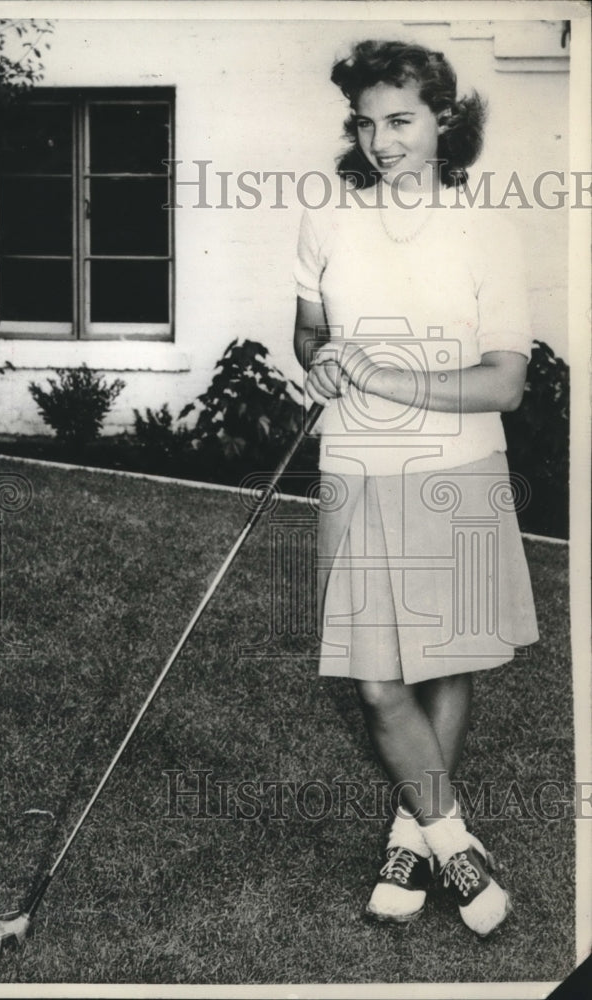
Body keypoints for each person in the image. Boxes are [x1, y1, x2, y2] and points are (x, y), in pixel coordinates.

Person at [293, 39, 538, 937]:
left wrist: (393, 381)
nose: (380, 140)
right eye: (366, 121)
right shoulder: (329, 221)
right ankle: (452, 841)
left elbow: (506, 382)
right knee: (375, 679)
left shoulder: (488, 231)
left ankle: (407, 834)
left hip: (458, 469)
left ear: (445, 121)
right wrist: (319, 365)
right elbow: (309, 329)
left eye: (400, 120)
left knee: (447, 658)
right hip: (355, 467)